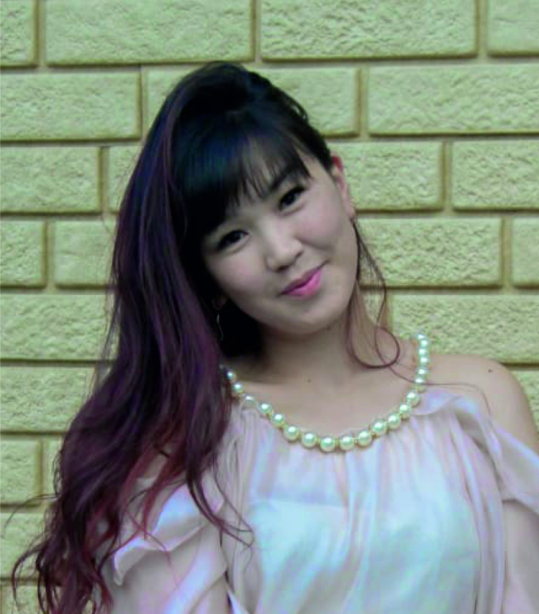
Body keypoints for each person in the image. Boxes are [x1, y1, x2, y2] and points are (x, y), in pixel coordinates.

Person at [11, 62, 539, 614]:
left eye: (289, 198)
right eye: (233, 236)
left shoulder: (478, 400)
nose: (282, 251)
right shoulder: (185, 440)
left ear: (340, 184)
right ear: (208, 278)